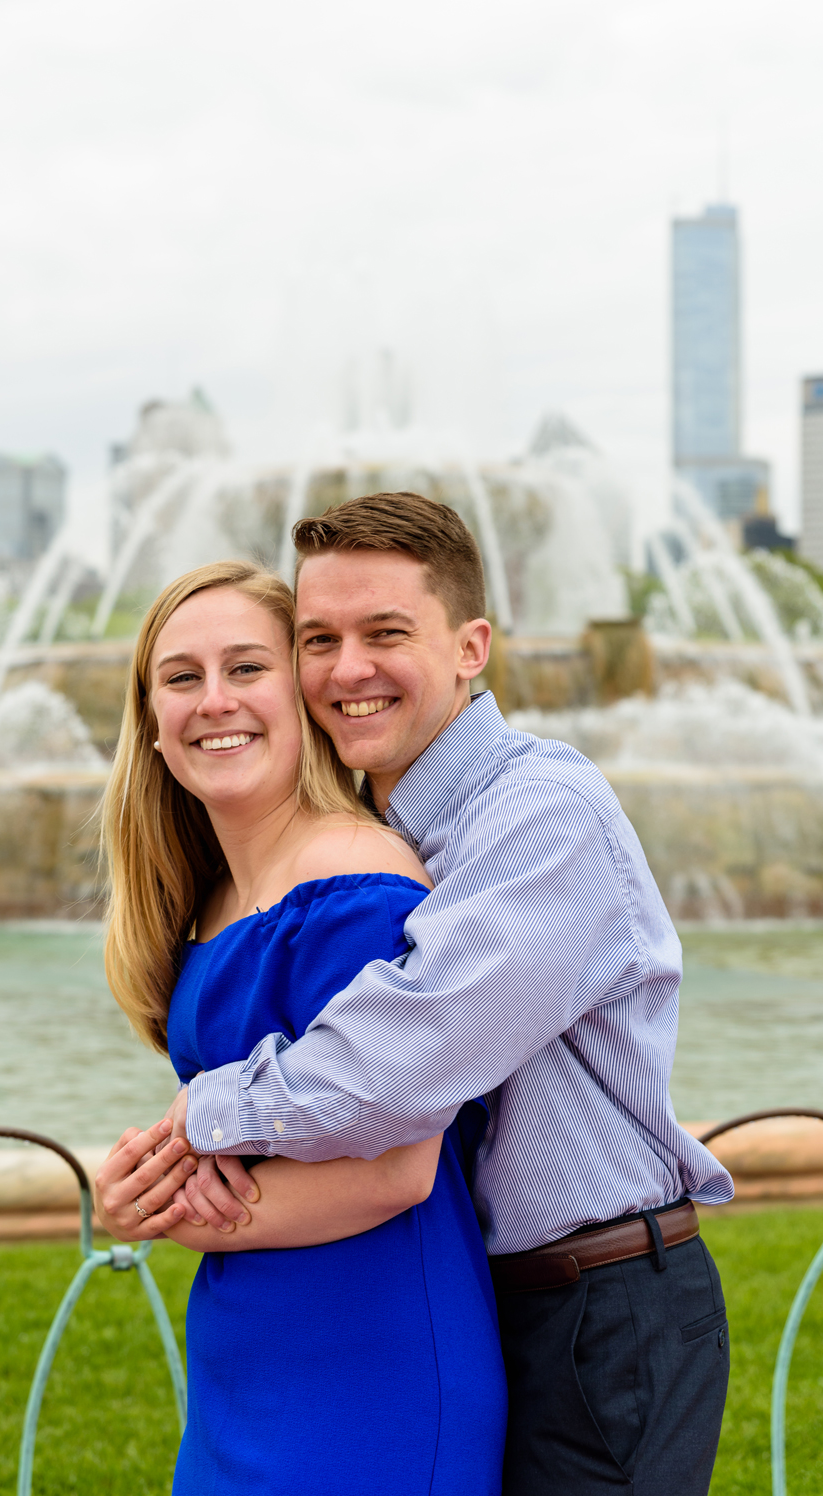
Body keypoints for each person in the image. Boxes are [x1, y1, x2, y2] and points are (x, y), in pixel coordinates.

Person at [102, 493, 733, 1494]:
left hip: (603, 1301)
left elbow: (396, 1061)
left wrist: (191, 1139)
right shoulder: (402, 830)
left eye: (384, 633)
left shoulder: (539, 814)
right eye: (319, 638)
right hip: (495, 1291)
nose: (347, 669)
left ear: (469, 645)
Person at [90, 558, 504, 1492]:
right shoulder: (213, 900)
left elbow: (399, 1168)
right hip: (252, 1355)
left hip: (373, 1361)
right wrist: (135, 1197)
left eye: (248, 668)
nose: (215, 701)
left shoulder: (357, 879)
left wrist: (184, 1220)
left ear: (303, 698)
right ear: (152, 725)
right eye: (182, 677)